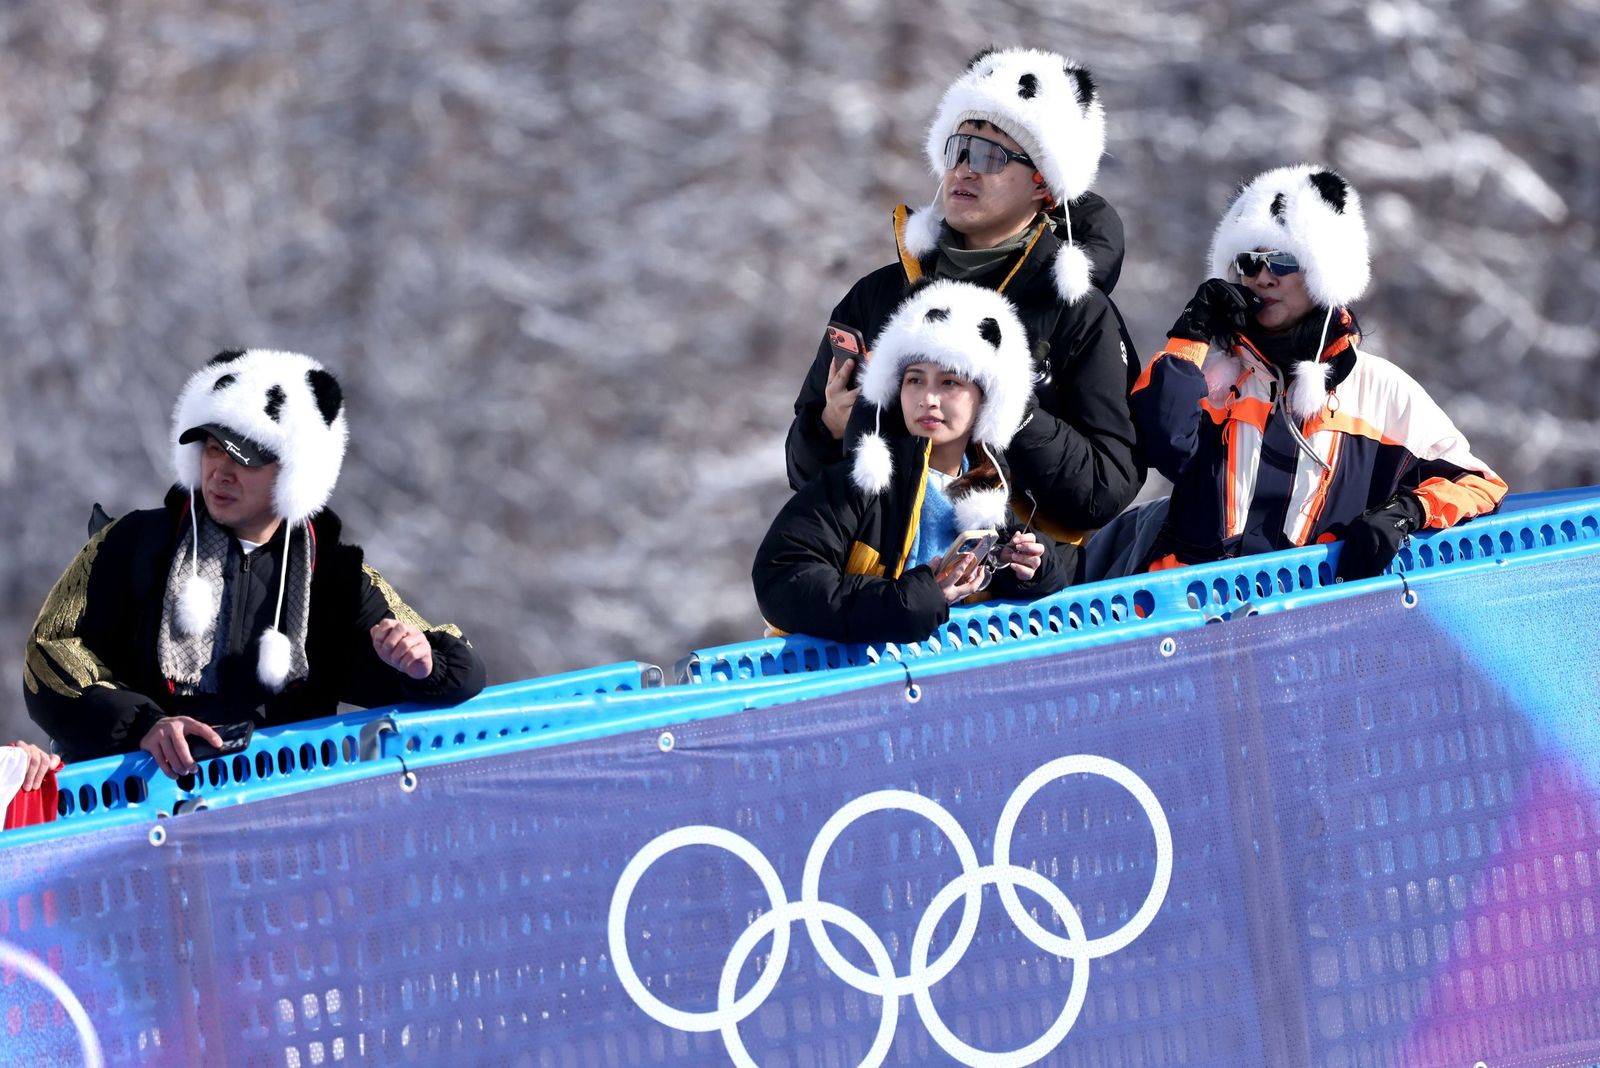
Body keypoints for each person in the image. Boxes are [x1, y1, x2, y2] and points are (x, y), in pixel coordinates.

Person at [24, 348, 486, 778]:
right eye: (212, 449)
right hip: (130, 812)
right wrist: (143, 724)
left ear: (295, 471)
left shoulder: (335, 577)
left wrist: (420, 664)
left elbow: (459, 668)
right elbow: (49, 652)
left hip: (272, 825)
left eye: (245, 459)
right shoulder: (132, 542)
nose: (221, 473)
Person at [784, 47, 1143, 575]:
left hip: (1012, 602)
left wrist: (1013, 411)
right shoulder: (879, 297)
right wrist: (829, 428)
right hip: (871, 601)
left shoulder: (1079, 314)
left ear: (1043, 182)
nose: (963, 169)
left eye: (992, 156)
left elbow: (1104, 490)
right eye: (957, 148)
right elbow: (802, 471)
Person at [1128, 165, 1507, 578]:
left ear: (1327, 269)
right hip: (1187, 615)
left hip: (1310, 622)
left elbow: (1479, 485)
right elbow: (1159, 443)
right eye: (1249, 262)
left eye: (1283, 261)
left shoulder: (1380, 389)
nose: (1263, 278)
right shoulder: (1212, 375)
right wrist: (1192, 331)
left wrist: (1407, 512)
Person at [756, 280, 1066, 643]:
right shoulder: (859, 485)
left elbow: (1054, 575)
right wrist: (905, 603)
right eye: (914, 380)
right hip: (851, 687)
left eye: (950, 382)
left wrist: (1032, 568)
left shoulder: (988, 497)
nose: (928, 399)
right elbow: (782, 579)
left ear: (987, 400)